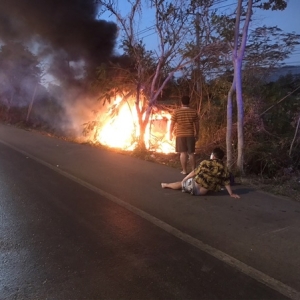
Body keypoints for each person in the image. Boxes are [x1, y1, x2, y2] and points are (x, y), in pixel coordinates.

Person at [161, 147, 240, 199]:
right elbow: (226, 182)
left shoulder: (206, 162)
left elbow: (194, 172)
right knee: (212, 181)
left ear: (213, 156)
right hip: (202, 193)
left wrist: (184, 179)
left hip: (193, 186)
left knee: (180, 184)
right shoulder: (224, 168)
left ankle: (166, 185)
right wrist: (231, 194)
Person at [169, 95, 199, 175]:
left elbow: (172, 124)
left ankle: (184, 170)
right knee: (191, 153)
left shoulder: (176, 112)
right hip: (190, 134)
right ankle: (193, 171)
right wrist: (197, 133)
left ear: (181, 102)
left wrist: (170, 133)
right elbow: (197, 124)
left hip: (180, 134)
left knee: (183, 153)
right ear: (189, 102)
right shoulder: (193, 112)